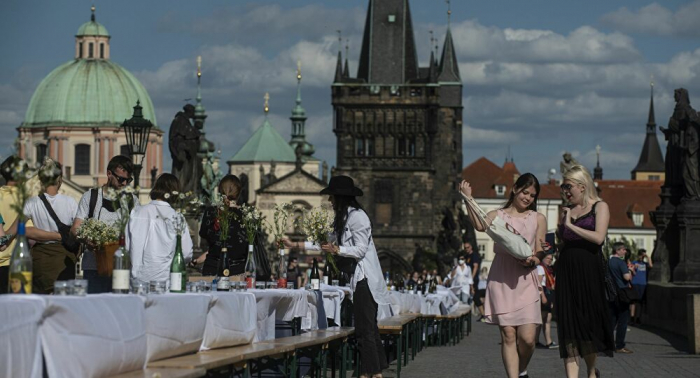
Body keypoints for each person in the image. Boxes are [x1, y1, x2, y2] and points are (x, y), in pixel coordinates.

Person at [283, 175, 389, 378]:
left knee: (365, 327)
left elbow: (360, 250)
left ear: (340, 197)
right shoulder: (343, 219)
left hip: (365, 278)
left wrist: (338, 249)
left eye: (332, 197)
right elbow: (324, 243)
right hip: (357, 279)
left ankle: (371, 372)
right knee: (367, 327)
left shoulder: (358, 217)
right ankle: (376, 368)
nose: (330, 201)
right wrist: (295, 244)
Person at [461, 173, 547, 378]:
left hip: (525, 278)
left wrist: (535, 260)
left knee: (527, 338)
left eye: (532, 195)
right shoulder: (497, 215)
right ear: (515, 189)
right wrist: (467, 199)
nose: (528, 198)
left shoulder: (538, 218)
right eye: (525, 192)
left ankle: (522, 369)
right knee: (508, 335)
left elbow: (542, 248)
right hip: (502, 277)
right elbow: (480, 225)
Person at [556, 165, 614, 378]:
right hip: (567, 272)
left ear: (582, 186)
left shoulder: (600, 206)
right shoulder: (567, 210)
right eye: (563, 187)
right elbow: (563, 242)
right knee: (568, 327)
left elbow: (599, 238)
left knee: (588, 326)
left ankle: (591, 372)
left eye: (568, 186)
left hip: (589, 273)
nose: (565, 191)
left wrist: (570, 226)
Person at [6, 159, 76, 293]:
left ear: (41, 179)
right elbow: (77, 232)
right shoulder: (71, 202)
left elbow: (12, 231)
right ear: (59, 179)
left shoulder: (31, 203)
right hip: (64, 260)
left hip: (40, 260)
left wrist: (4, 241)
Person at [71, 155, 137, 293]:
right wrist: (86, 239)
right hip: (93, 268)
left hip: (121, 268)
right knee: (95, 311)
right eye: (121, 179)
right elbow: (75, 228)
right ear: (109, 174)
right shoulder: (91, 197)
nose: (124, 184)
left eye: (128, 180)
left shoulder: (132, 200)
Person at [127, 173, 193, 285]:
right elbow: (186, 253)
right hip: (166, 280)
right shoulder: (177, 217)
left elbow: (127, 247)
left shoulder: (137, 212)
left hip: (138, 280)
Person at [198, 175, 247, 276]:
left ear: (220, 191)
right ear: (238, 192)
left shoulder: (210, 211)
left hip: (212, 268)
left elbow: (203, 234)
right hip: (237, 270)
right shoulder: (246, 215)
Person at [608, 243, 634, 354]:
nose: (625, 252)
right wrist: (630, 270)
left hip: (611, 293)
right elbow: (626, 277)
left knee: (612, 319)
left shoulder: (608, 262)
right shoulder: (620, 262)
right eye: (623, 250)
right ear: (617, 250)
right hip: (622, 293)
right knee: (623, 320)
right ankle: (619, 345)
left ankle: (606, 343)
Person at [536, 253, 557, 349]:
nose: (549, 260)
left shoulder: (549, 269)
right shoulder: (540, 268)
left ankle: (548, 341)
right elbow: (539, 284)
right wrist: (543, 296)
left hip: (548, 293)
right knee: (542, 318)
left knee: (547, 318)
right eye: (547, 258)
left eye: (551, 259)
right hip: (544, 292)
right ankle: (535, 340)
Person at [630, 249, 652, 325]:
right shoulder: (634, 262)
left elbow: (651, 265)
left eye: (643, 256)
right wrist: (633, 269)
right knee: (633, 301)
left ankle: (638, 318)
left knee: (640, 302)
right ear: (638, 255)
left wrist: (648, 257)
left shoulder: (645, 264)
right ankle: (632, 317)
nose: (641, 257)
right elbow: (631, 271)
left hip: (643, 284)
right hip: (635, 283)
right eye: (641, 255)